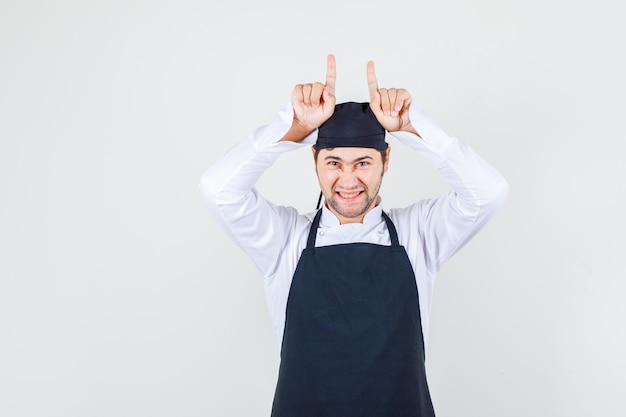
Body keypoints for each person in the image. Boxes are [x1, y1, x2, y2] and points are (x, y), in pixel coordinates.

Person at [199, 54, 508, 417]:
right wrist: (292, 125)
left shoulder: (419, 233)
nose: (348, 181)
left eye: (363, 162)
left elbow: (489, 191)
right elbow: (218, 189)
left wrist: (411, 125)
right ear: (314, 160)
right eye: (333, 163)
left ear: (386, 161)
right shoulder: (284, 240)